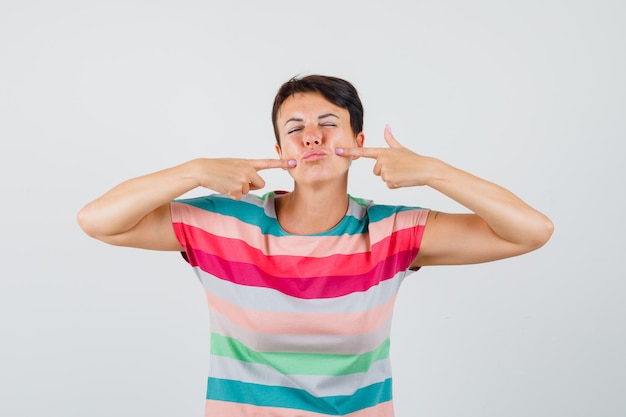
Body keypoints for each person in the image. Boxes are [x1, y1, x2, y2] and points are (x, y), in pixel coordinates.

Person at [77, 74, 553, 416]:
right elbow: (98, 221)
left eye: (329, 122)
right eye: (294, 128)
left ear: (358, 141)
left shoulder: (389, 232)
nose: (311, 137)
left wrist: (433, 171)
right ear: (282, 150)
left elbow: (531, 230)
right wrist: (193, 171)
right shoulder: (226, 224)